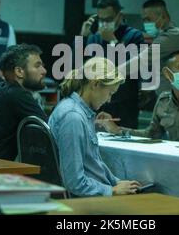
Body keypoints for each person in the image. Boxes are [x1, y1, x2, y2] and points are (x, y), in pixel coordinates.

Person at [49, 57, 141, 197]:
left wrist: (116, 183)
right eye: (110, 93)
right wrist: (112, 190)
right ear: (95, 84)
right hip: (85, 201)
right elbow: (74, 182)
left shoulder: (80, 113)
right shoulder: (73, 118)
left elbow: (94, 164)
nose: (109, 100)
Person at [78, 0, 144, 128]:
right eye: (100, 19)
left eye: (108, 19)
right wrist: (82, 37)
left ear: (119, 16)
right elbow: (77, 66)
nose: (104, 24)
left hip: (124, 104)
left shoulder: (134, 36)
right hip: (97, 103)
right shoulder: (94, 38)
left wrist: (113, 42)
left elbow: (133, 67)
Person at [0, 44, 48, 160]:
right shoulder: (17, 94)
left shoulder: (0, 87)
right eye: (37, 66)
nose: (44, 71)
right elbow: (49, 130)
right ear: (19, 71)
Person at [140, 0, 179, 95]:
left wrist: (112, 73)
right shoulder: (167, 35)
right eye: (144, 20)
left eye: (148, 19)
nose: (146, 24)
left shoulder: (171, 36)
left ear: (163, 17)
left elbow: (139, 61)